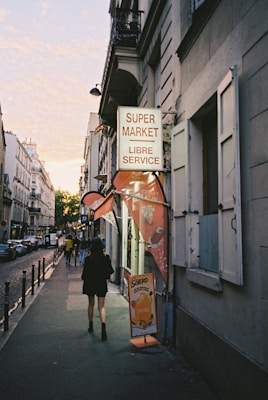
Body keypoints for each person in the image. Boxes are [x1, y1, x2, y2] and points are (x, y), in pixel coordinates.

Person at [82, 237, 114, 341]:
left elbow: (84, 275)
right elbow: (110, 271)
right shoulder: (105, 258)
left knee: (91, 304)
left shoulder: (88, 259)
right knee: (101, 307)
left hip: (90, 284)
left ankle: (91, 326)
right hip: (101, 284)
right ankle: (103, 329)